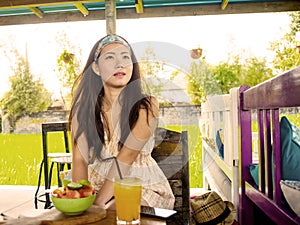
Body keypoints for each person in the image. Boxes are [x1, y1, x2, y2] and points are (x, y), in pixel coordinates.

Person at [69, 34, 175, 210]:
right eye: (110, 57)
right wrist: (81, 199)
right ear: (96, 67)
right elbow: (79, 160)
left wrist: (97, 205)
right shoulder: (83, 109)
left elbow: (127, 157)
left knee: (118, 208)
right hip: (98, 185)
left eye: (125, 57)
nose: (120, 64)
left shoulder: (146, 105)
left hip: (141, 186)